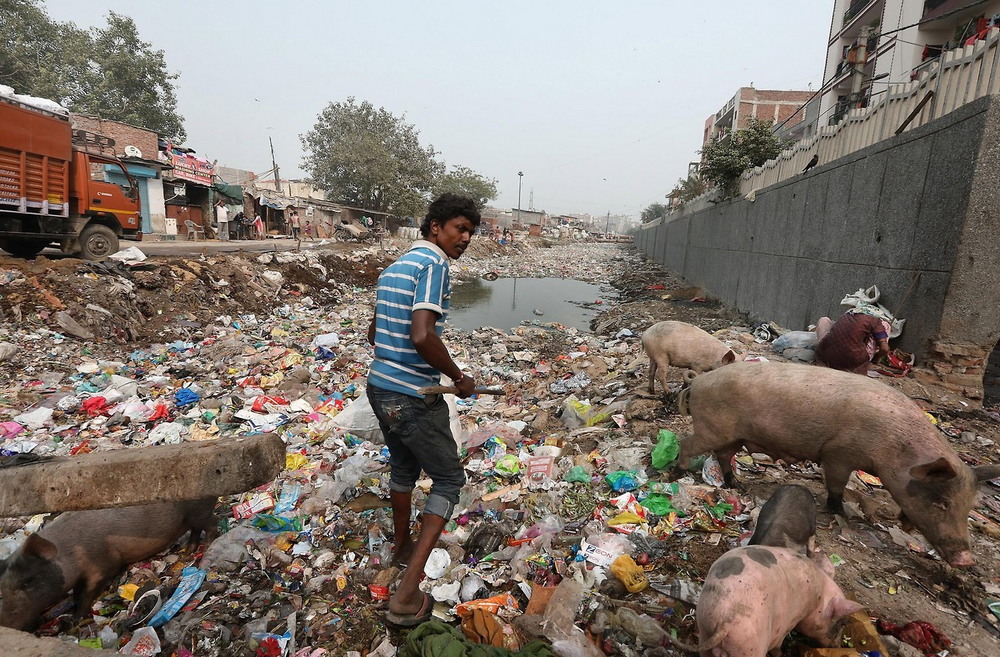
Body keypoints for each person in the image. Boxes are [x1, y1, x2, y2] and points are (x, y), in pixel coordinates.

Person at [366, 193, 481, 627]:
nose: (465, 238)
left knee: (403, 467)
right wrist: (458, 377)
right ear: (435, 227)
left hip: (380, 388)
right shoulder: (434, 266)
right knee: (450, 478)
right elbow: (421, 334)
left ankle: (399, 549)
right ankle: (406, 594)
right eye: (459, 229)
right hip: (412, 397)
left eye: (470, 231)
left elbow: (376, 331)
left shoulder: (395, 267)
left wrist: (395, 366)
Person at [814, 310, 891, 374]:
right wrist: (876, 359)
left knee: (824, 320)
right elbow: (885, 349)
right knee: (882, 333)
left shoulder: (848, 314)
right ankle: (869, 360)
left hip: (825, 356)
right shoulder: (877, 321)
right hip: (852, 362)